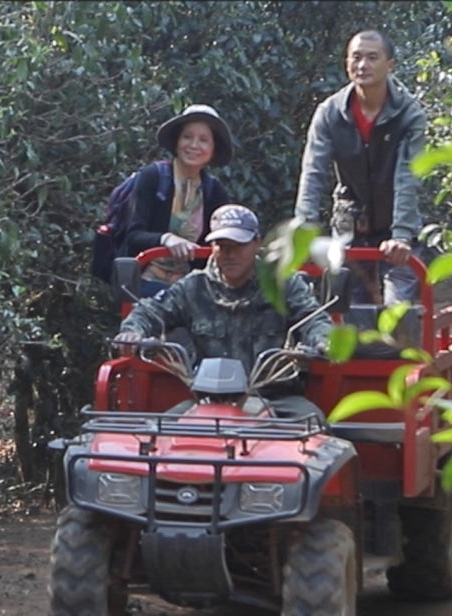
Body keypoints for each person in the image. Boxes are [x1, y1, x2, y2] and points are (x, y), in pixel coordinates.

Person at [115, 205, 332, 422]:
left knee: (313, 424)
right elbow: (150, 311)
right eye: (222, 245)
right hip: (208, 400)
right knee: (160, 434)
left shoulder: (282, 283)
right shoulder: (193, 287)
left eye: (238, 245)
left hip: (275, 397)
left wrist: (323, 340)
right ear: (212, 247)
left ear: (256, 243)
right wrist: (132, 333)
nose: (230, 254)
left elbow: (313, 317)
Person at [293, 29, 428, 306]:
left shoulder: (408, 114)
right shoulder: (330, 112)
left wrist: (401, 235)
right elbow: (313, 173)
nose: (362, 65)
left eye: (372, 57)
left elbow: (408, 176)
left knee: (400, 313)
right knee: (347, 312)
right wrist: (304, 230)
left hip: (396, 223)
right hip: (351, 224)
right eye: (356, 57)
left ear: (389, 65)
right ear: (346, 63)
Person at [122, 104, 233, 297]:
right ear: (177, 141)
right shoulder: (153, 177)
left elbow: (223, 243)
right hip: (148, 280)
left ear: (213, 149)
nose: (194, 145)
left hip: (191, 284)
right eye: (187, 137)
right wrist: (166, 239)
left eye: (204, 140)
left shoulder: (214, 191)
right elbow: (133, 235)